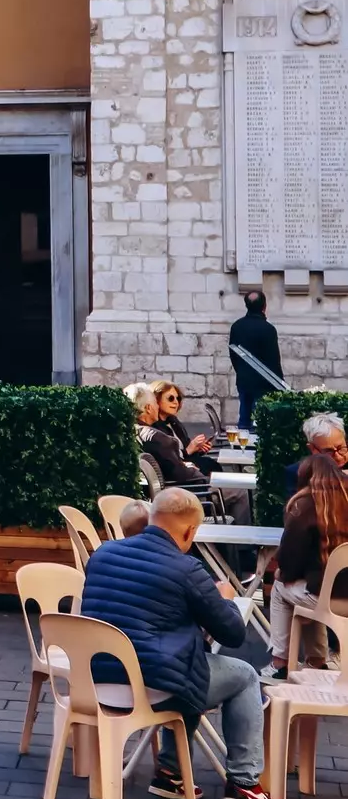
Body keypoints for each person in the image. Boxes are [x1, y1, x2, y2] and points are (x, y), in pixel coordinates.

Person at [79, 487, 292, 799]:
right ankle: (245, 784)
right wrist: (223, 598)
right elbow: (233, 634)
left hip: (97, 680)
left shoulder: (103, 555)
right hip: (151, 688)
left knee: (188, 662)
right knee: (243, 675)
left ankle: (170, 772)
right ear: (191, 530)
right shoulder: (187, 569)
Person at [269, 451, 348, 677]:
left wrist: (283, 574)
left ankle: (279, 662)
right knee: (309, 590)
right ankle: (316, 661)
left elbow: (289, 561)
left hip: (326, 599)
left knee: (281, 588)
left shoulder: (305, 506)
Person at [127, 382, 210, 491]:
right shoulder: (156, 437)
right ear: (148, 408)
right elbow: (180, 473)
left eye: (178, 398)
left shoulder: (129, 431)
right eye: (155, 403)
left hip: (165, 489)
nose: (176, 402)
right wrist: (193, 470)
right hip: (180, 492)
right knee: (237, 491)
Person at [229, 290, 283, 430]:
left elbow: (233, 355)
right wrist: (279, 384)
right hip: (264, 383)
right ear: (264, 306)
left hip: (244, 381)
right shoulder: (268, 329)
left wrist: (241, 372)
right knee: (259, 423)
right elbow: (273, 359)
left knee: (245, 418)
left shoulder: (236, 327)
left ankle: (241, 448)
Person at [149, 380, 218, 474]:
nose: (176, 402)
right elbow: (167, 460)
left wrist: (198, 449)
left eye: (178, 398)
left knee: (212, 465)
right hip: (176, 472)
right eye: (170, 398)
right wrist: (189, 449)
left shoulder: (173, 421)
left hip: (186, 464)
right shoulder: (154, 427)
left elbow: (187, 448)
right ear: (156, 399)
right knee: (210, 467)